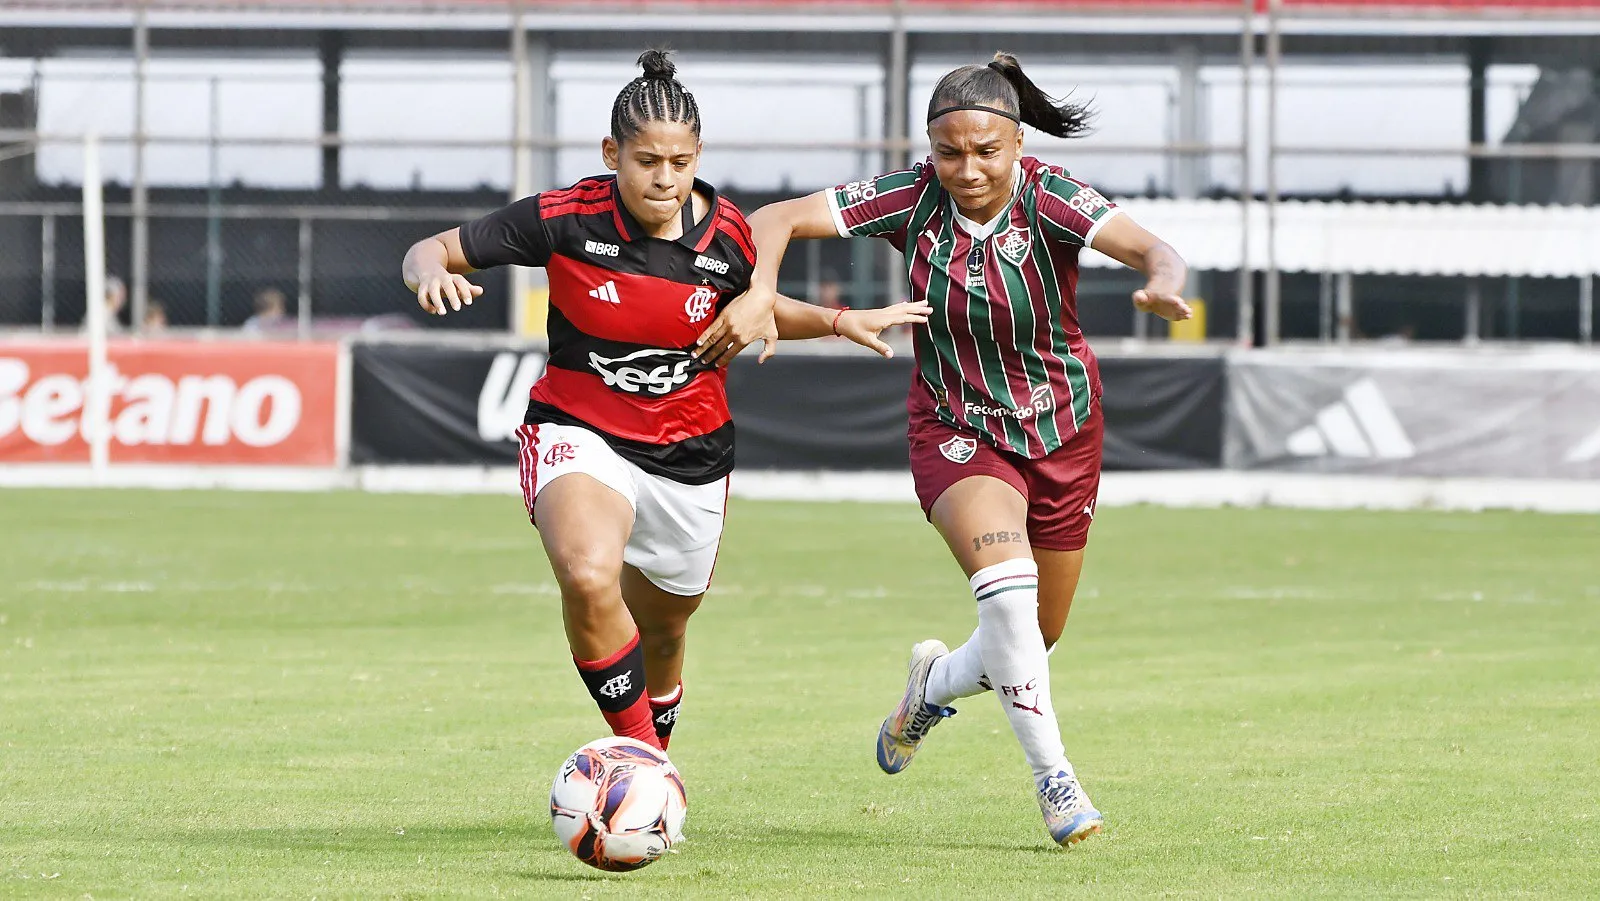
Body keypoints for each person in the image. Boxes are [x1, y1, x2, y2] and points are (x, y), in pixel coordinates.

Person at [715, 53, 1192, 846]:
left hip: (1063, 429)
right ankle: (1057, 783)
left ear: (1016, 143)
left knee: (1032, 637)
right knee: (1006, 599)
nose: (966, 168)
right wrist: (761, 287)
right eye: (949, 151)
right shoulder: (911, 196)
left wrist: (1165, 281)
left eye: (985, 151)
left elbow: (1154, 250)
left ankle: (929, 687)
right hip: (956, 426)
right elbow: (774, 218)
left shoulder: (1055, 196)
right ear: (930, 148)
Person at [399, 50, 924, 753]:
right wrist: (428, 271)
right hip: (579, 428)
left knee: (666, 631)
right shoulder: (564, 217)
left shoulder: (731, 236)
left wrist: (835, 320)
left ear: (698, 154)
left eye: (680, 161)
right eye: (647, 161)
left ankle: (653, 756)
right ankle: (645, 766)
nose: (666, 178)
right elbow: (431, 248)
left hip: (691, 456)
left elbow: (756, 310)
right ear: (613, 153)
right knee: (587, 574)